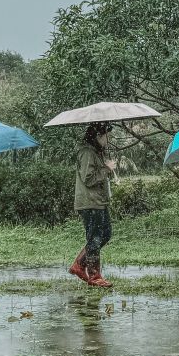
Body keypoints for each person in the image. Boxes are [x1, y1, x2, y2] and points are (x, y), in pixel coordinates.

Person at [70, 122, 114, 289]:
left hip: (99, 201)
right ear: (98, 135)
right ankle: (94, 276)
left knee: (106, 234)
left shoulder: (96, 151)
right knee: (95, 238)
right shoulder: (87, 153)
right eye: (106, 136)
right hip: (90, 202)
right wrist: (106, 169)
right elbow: (88, 179)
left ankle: (79, 264)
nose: (108, 139)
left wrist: (104, 166)